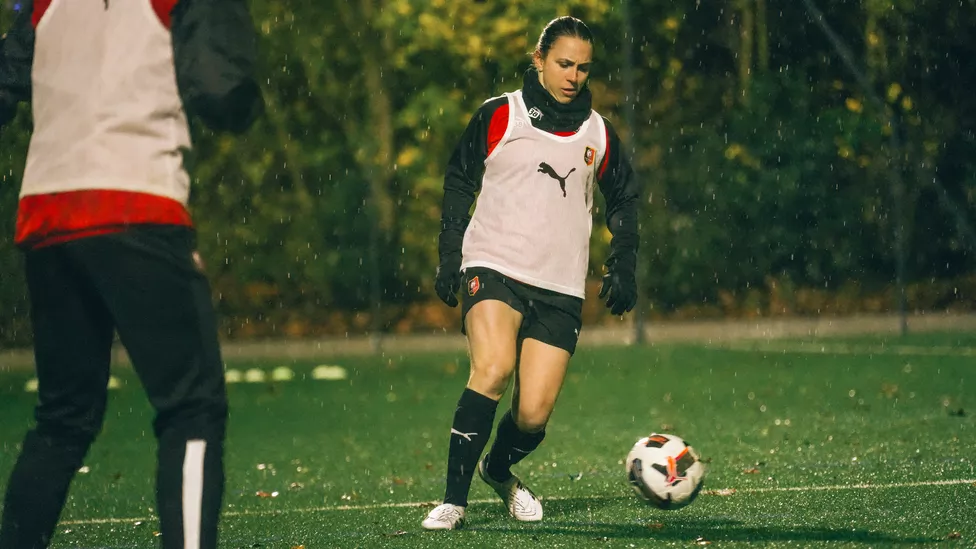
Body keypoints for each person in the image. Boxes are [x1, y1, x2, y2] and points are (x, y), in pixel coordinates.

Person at [0, 0, 262, 547]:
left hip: (46, 213)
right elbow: (221, 92)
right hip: (134, 201)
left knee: (62, 418)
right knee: (193, 406)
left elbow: (6, 83)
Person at [423, 16, 640, 530]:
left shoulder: (598, 134)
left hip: (561, 284)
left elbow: (624, 198)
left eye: (583, 68)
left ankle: (498, 473)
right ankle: (454, 501)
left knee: (533, 415)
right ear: (539, 59)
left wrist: (623, 261)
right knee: (494, 367)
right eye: (564, 63)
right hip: (494, 264)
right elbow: (459, 179)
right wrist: (449, 253)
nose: (573, 75)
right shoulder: (501, 114)